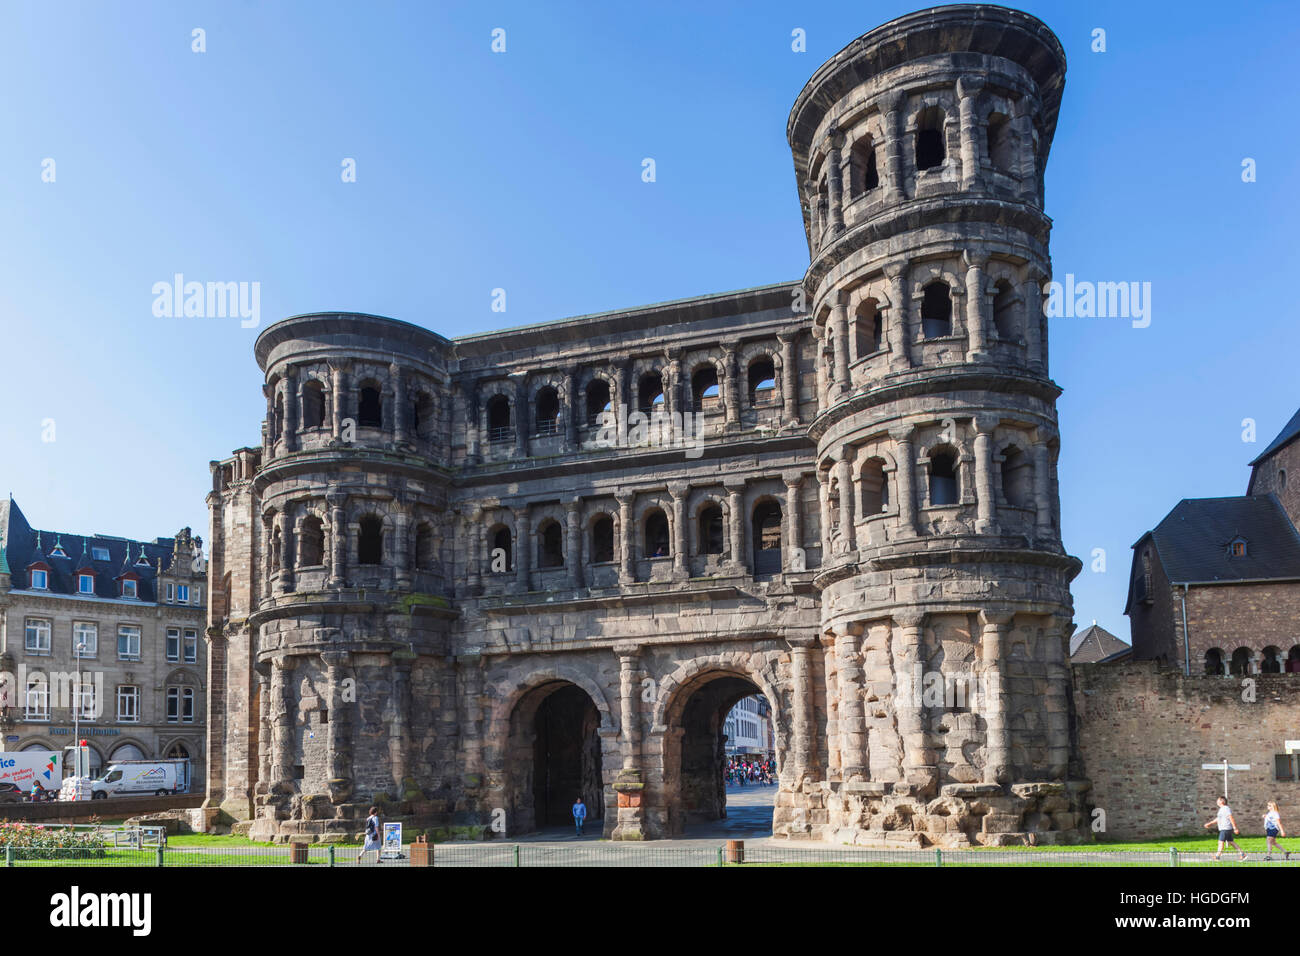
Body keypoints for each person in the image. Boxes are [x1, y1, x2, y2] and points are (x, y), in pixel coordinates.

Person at [1204, 796, 1246, 861]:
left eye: (1218, 800)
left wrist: (1235, 828)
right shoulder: (1221, 809)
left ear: (1222, 801)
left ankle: (1217, 856)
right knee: (1231, 842)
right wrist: (1210, 823)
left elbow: (1231, 817)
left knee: (1220, 842)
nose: (1217, 801)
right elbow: (1218, 819)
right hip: (1225, 828)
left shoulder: (1226, 808)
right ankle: (1242, 854)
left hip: (1225, 828)